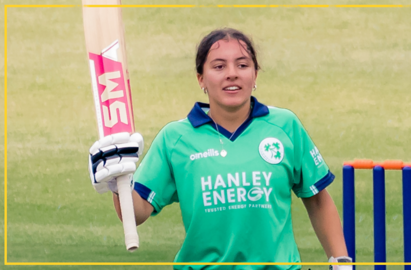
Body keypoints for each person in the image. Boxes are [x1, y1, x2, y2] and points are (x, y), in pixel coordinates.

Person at [88, 28, 352, 270]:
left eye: (242, 65)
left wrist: (341, 262)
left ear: (255, 75)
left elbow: (316, 198)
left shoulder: (285, 126)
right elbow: (136, 214)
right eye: (219, 66)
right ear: (201, 78)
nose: (232, 73)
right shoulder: (175, 138)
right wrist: (117, 184)